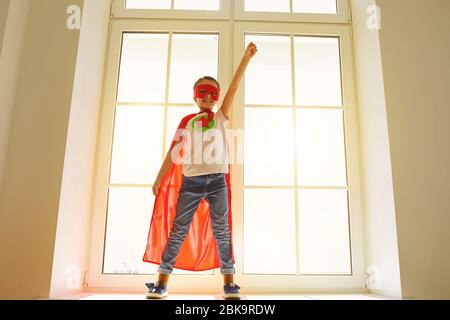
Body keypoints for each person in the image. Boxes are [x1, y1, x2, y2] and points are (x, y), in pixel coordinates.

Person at [143, 42, 258, 300]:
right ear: (195, 95)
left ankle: (229, 283)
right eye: (203, 92)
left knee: (221, 229)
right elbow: (173, 153)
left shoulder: (220, 117)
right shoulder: (187, 122)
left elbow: (234, 88)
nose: (208, 97)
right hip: (191, 182)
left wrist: (245, 59)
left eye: (212, 93)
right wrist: (158, 179)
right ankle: (161, 282)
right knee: (179, 229)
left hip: (217, 181)